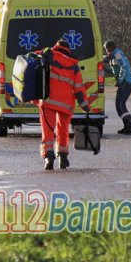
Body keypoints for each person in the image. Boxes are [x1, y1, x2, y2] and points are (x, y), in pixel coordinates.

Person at [37, 38, 90, 170]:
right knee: (63, 129)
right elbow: (79, 88)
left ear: (56, 46)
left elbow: (33, 57)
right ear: (68, 50)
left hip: (48, 101)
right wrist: (85, 105)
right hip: (66, 104)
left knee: (48, 130)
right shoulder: (74, 65)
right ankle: (63, 156)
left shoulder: (48, 54)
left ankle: (48, 157)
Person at [104, 40, 131, 134]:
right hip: (124, 82)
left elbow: (123, 67)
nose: (106, 51)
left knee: (120, 104)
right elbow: (115, 68)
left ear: (110, 48)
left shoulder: (117, 54)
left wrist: (119, 80)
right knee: (118, 105)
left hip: (126, 81)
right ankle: (127, 126)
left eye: (106, 49)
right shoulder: (114, 56)